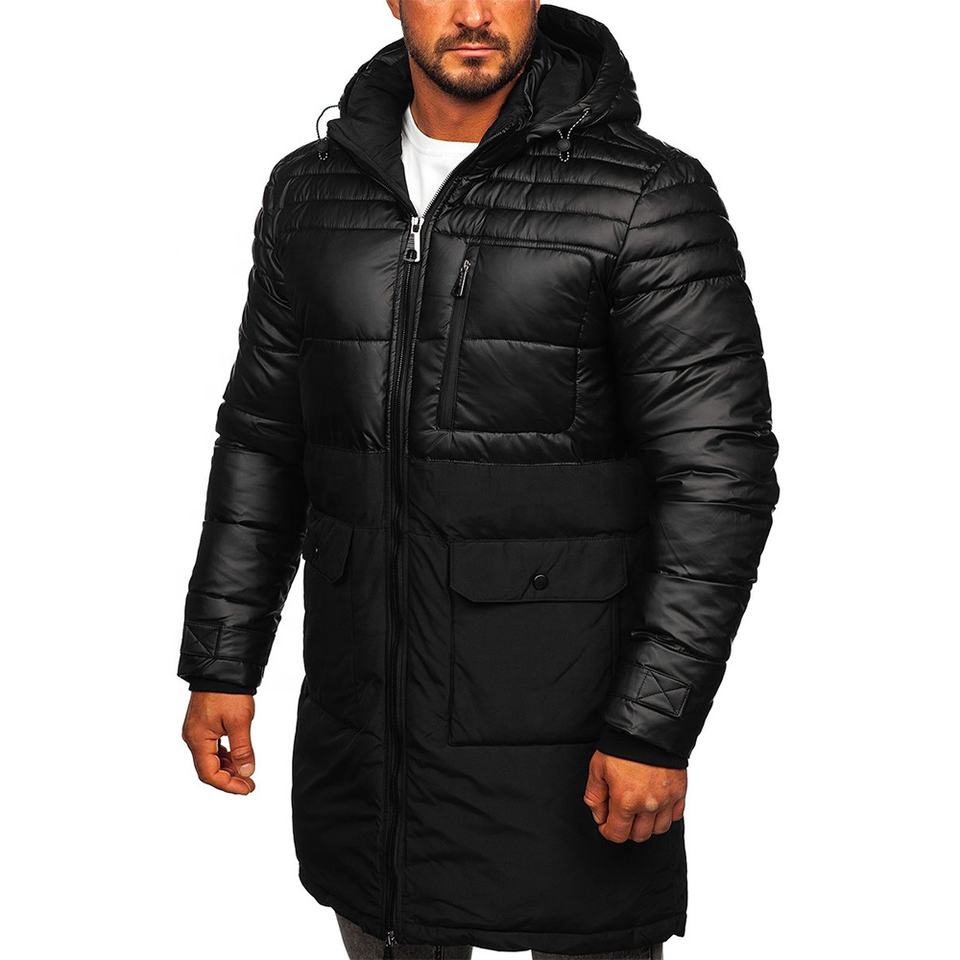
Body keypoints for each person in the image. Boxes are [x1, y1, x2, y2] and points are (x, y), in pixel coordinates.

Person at [178, 2, 780, 958]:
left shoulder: (643, 195)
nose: (471, 12)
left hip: (579, 743)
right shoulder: (312, 192)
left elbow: (718, 477)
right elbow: (263, 440)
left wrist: (653, 726)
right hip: (366, 743)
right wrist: (222, 660)